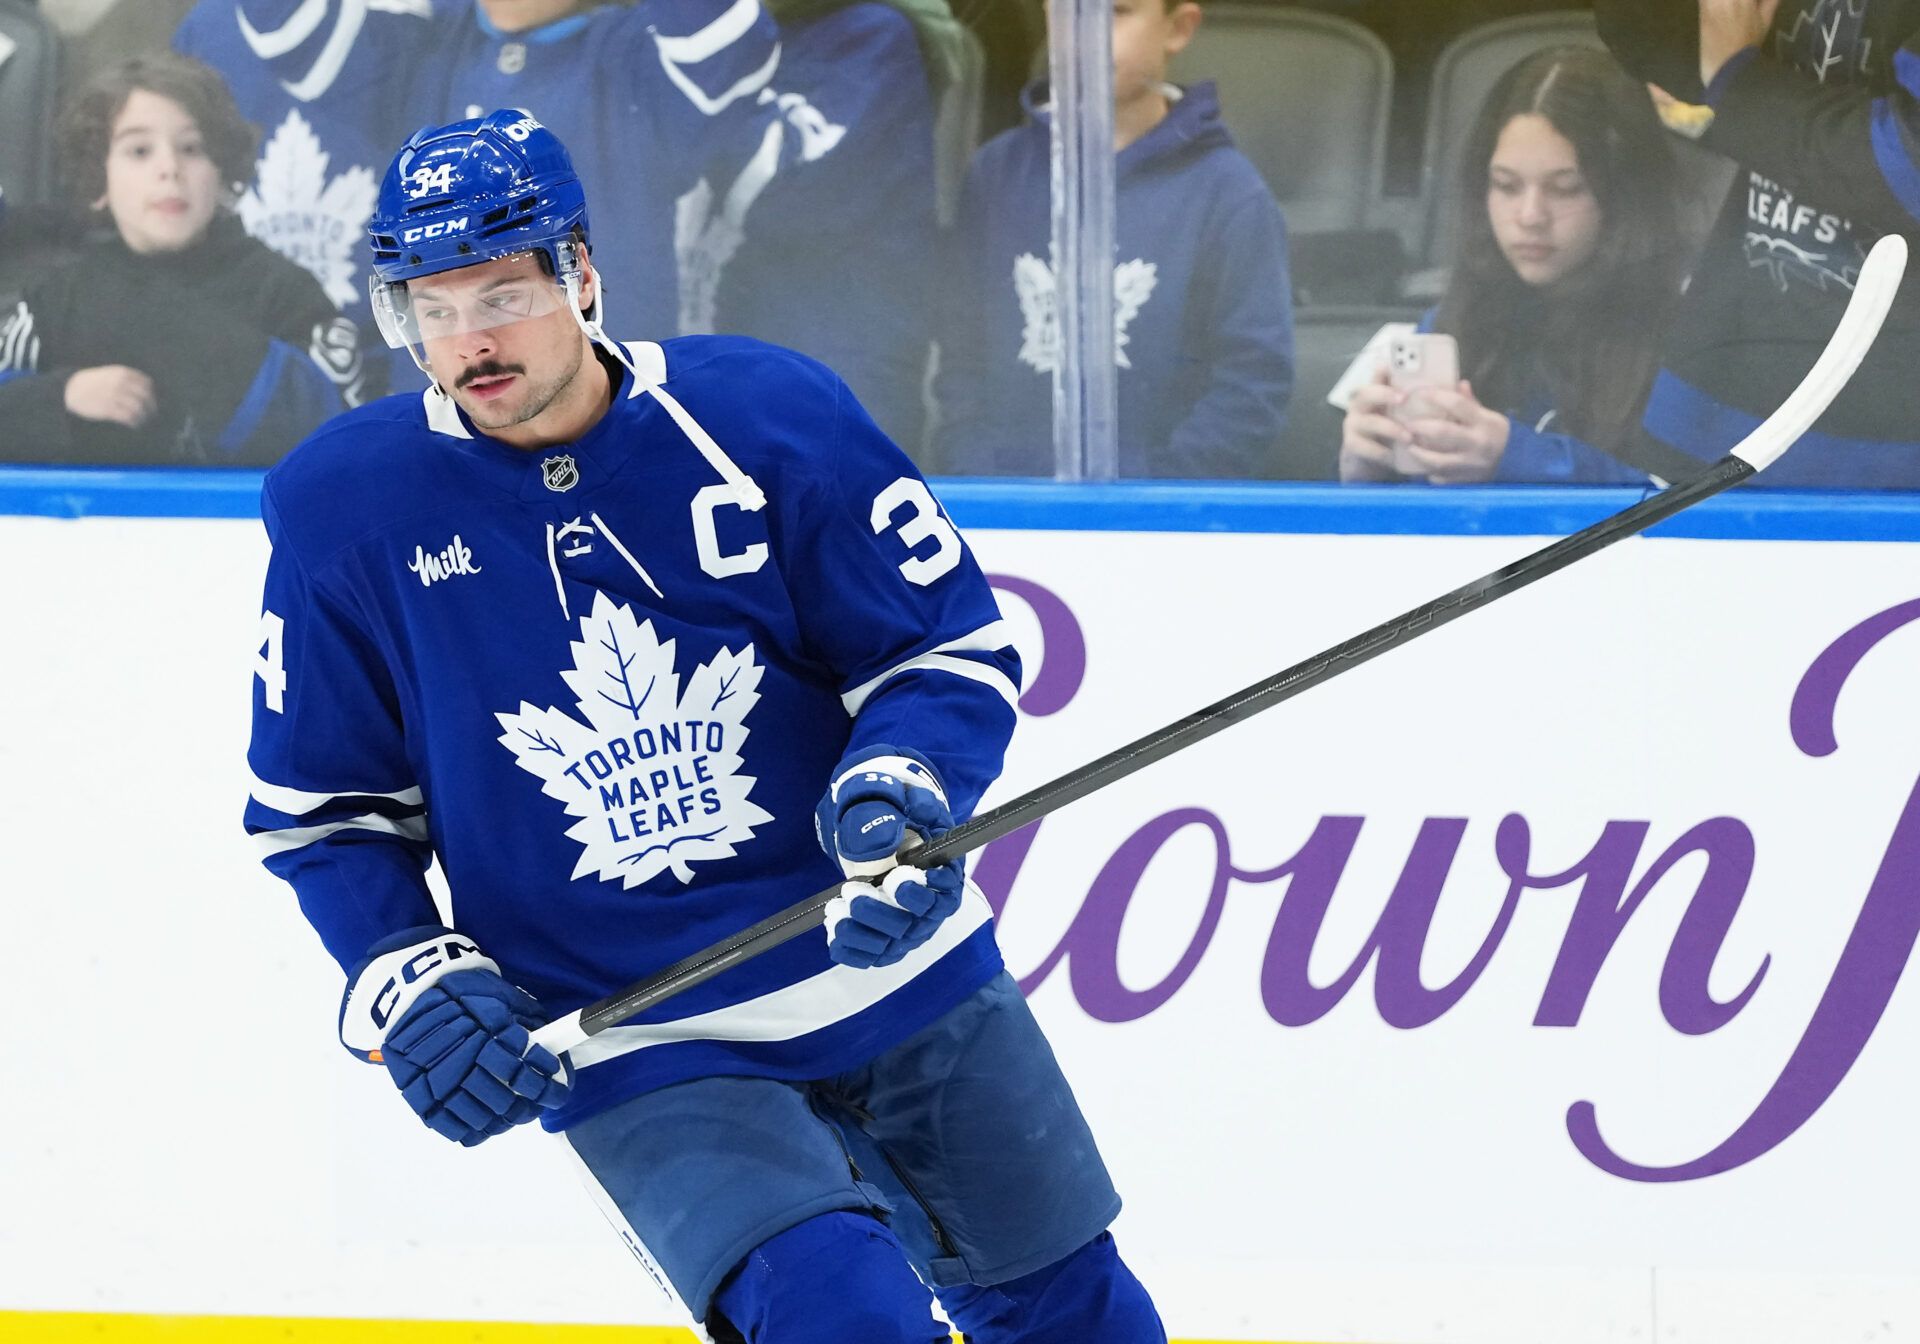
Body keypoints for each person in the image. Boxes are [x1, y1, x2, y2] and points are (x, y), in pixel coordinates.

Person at [243, 110, 1165, 1344]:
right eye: (434, 306)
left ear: (580, 272)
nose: (470, 342)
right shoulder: (343, 508)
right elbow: (327, 814)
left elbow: (941, 648)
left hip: (896, 967)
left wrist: (901, 784)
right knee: (843, 1323)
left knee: (1083, 1321)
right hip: (643, 1032)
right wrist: (407, 973)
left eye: (503, 294)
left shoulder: (768, 414)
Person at [933, 0, 1294, 478]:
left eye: (1117, 12)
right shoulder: (995, 174)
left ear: (1179, 28)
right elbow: (961, 358)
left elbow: (1253, 380)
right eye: (1068, 11)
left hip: (1163, 529)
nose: (1085, 34)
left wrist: (1161, 497)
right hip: (1006, 515)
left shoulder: (1228, 192)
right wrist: (980, 476)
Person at [1595, 0, 1920, 489]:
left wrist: (1738, 83)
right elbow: (1646, 36)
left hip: (1893, 456)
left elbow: (1907, 165)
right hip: (1708, 414)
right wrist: (1726, 73)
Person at [1339, 47, 1688, 486]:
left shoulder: (1688, 341)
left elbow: (1689, 507)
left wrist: (1518, 459)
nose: (1529, 216)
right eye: (1506, 186)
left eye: (1565, 189)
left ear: (1625, 197)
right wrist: (1365, 470)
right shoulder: (1452, 322)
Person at [0, 52, 364, 464]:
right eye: (139, 151)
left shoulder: (284, 290)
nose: (170, 168)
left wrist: (161, 317)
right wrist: (62, 395)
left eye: (192, 148)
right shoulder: (58, 296)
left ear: (223, 175)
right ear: (98, 180)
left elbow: (347, 434)